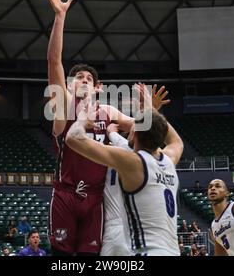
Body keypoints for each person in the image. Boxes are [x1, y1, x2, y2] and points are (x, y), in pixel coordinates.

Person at [46, 0, 138, 256]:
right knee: (61, 258)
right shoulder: (63, 104)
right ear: (70, 84)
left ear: (98, 88)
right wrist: (60, 17)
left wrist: (149, 112)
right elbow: (54, 61)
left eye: (88, 78)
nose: (83, 80)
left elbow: (143, 128)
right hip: (65, 193)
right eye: (78, 77)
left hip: (96, 199)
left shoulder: (108, 111)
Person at [65, 107, 184, 256]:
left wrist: (81, 121)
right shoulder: (170, 159)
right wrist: (151, 110)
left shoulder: (132, 162)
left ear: (136, 134)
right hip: (173, 252)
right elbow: (177, 141)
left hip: (148, 252)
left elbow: (72, 138)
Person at [100, 85, 170, 256]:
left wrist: (110, 130)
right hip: (140, 232)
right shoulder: (154, 159)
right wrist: (150, 109)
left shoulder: (117, 151)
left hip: (115, 229)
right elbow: (155, 131)